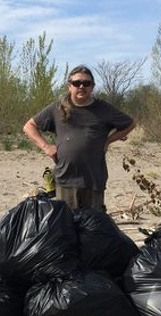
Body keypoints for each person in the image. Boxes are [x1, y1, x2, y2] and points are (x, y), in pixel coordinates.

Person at [23, 64, 135, 211]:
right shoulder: (58, 108)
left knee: (92, 228)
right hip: (66, 179)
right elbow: (29, 126)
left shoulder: (104, 109)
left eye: (86, 83)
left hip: (93, 179)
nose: (81, 86)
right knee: (67, 227)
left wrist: (108, 140)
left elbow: (130, 124)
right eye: (77, 83)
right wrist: (46, 147)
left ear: (92, 86)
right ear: (69, 86)